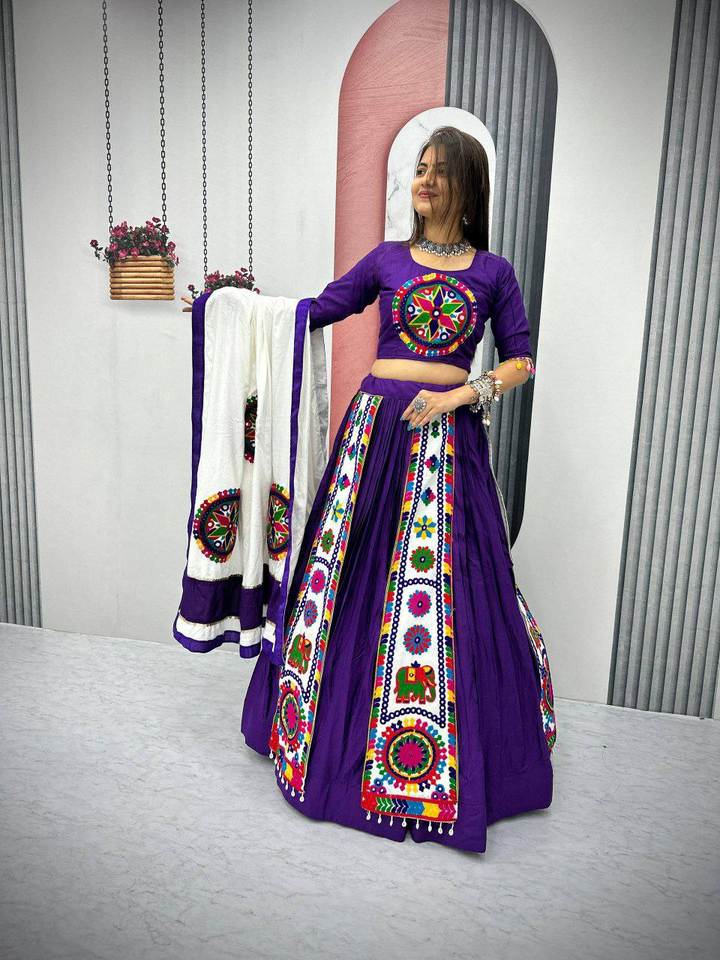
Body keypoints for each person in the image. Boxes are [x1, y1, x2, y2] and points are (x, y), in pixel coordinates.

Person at [236, 125, 554, 854]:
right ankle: (329, 737)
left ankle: (443, 756)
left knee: (445, 585)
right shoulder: (385, 259)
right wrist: (238, 313)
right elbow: (317, 309)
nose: (424, 181)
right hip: (376, 432)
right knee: (351, 575)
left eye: (441, 171)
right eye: (420, 168)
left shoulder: (494, 272)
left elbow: (522, 360)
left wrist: (460, 396)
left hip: (447, 440)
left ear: (469, 186)